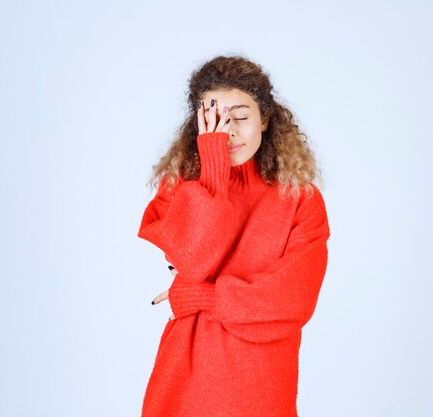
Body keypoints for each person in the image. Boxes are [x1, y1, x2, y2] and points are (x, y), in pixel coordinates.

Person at [137, 54, 331, 417]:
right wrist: (213, 168)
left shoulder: (300, 200)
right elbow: (196, 259)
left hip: (260, 387)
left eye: (240, 117)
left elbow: (289, 303)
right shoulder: (181, 187)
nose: (227, 131)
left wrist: (202, 297)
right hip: (183, 383)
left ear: (266, 118)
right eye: (214, 119)